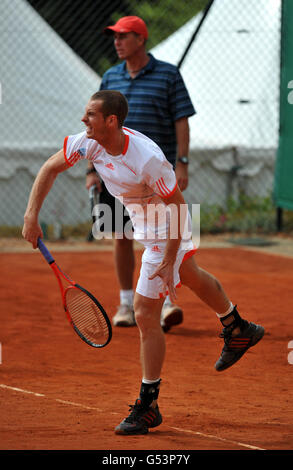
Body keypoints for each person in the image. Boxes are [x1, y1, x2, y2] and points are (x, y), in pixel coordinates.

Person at [23, 90, 265, 436]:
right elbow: (50, 168)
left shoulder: (147, 158)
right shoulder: (89, 143)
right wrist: (31, 216)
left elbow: (179, 207)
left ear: (112, 120)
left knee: (145, 312)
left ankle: (148, 406)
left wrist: (167, 258)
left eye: (90, 114)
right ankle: (238, 327)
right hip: (144, 224)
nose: (83, 120)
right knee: (192, 276)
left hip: (168, 226)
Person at [86, 16, 196, 331]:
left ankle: (166, 301)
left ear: (141, 39)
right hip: (115, 173)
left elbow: (182, 119)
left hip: (155, 175)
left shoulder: (168, 75)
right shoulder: (110, 76)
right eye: (115, 37)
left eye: (124, 36)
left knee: (166, 235)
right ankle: (125, 304)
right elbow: (95, 122)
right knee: (120, 235)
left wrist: (182, 162)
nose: (117, 42)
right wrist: (92, 168)